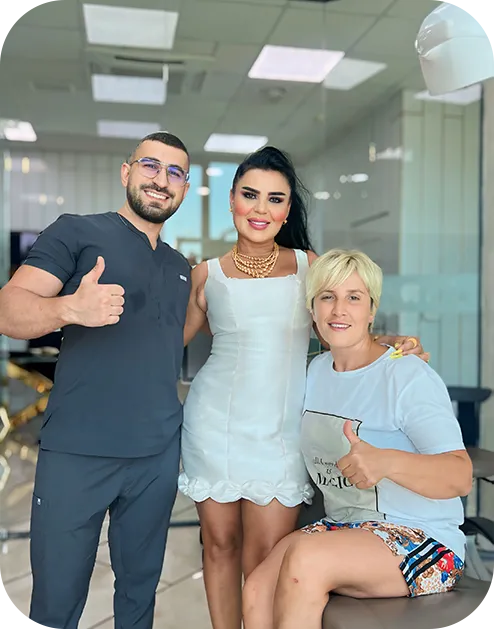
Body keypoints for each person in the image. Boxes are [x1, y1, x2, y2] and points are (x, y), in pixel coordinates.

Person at [179, 148, 428, 629]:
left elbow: (342, 327)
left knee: (267, 557)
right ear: (232, 200)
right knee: (219, 546)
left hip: (281, 430)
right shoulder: (206, 275)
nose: (260, 209)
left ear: (287, 209)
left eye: (275, 199)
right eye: (250, 195)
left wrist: (392, 344)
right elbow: (164, 348)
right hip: (213, 425)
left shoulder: (307, 267)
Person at [0, 132, 192, 629]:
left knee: (139, 597)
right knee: (57, 603)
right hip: (78, 453)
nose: (161, 179)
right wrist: (69, 308)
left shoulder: (180, 268)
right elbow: (9, 310)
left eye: (174, 172)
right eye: (150, 165)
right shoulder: (77, 232)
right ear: (126, 172)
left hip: (154, 458)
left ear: (185, 188)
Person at [242, 249, 472, 629]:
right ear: (312, 309)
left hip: (424, 540)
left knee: (306, 560)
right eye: (327, 297)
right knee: (256, 590)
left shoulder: (406, 375)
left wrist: (387, 462)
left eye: (354, 297)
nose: (339, 310)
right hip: (344, 527)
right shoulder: (315, 371)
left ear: (371, 309)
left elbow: (459, 476)